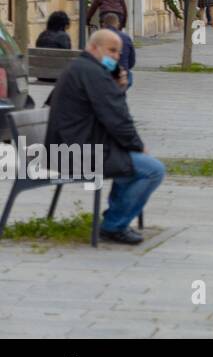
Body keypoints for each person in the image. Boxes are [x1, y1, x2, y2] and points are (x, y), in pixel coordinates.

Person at [44, 29, 165, 245]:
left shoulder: (85, 69)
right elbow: (116, 117)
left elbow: (110, 112)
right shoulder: (92, 73)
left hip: (71, 147)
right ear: (93, 48)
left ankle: (114, 219)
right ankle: (113, 225)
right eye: (111, 50)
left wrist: (117, 88)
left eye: (118, 52)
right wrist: (137, 145)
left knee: (131, 165)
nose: (116, 57)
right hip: (73, 154)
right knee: (153, 170)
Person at [99, 12, 136, 90]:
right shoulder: (126, 37)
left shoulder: (98, 37)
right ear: (118, 24)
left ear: (103, 24)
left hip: (103, 75)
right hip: (121, 75)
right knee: (128, 75)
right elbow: (131, 61)